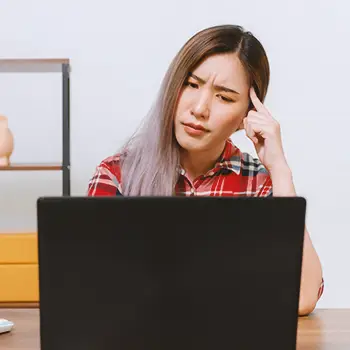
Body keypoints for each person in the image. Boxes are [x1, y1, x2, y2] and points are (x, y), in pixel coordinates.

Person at [87, 24, 324, 316]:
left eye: (224, 97)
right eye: (191, 84)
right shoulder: (116, 175)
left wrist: (280, 170)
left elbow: (302, 298)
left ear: (245, 116)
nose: (200, 108)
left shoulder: (259, 186)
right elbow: (97, 292)